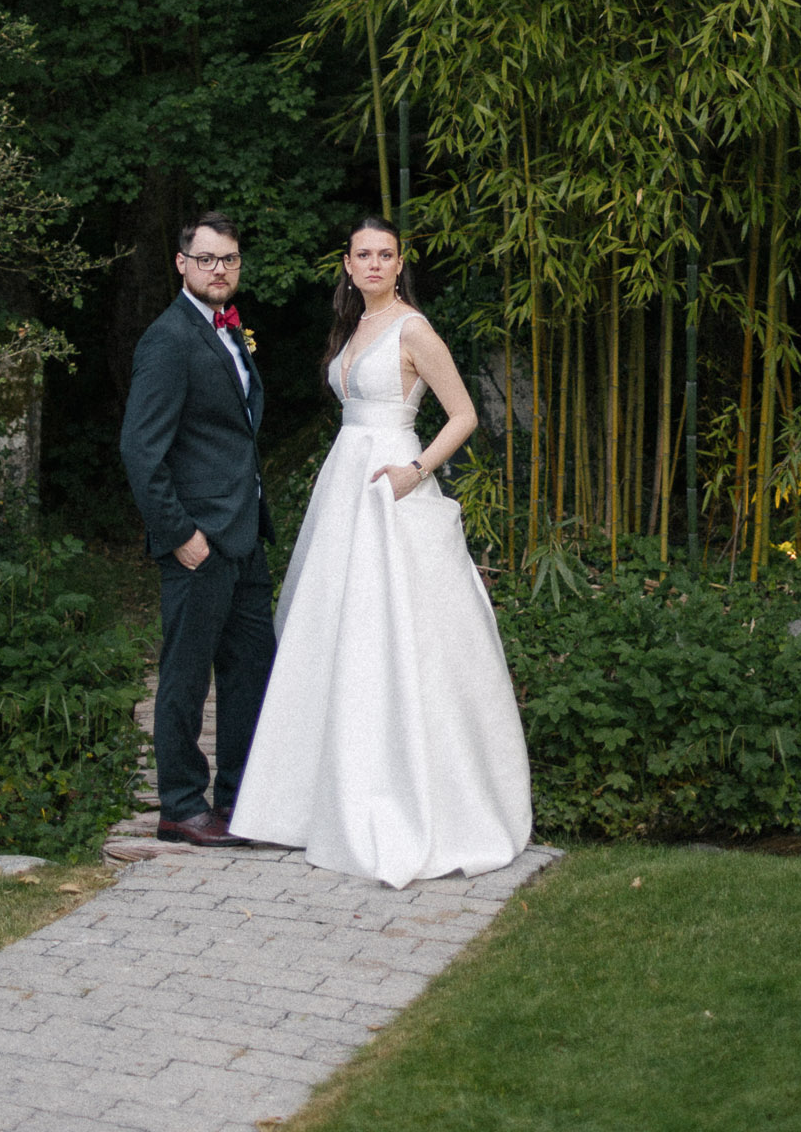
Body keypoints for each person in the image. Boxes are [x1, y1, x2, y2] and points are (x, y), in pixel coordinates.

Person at [231, 215, 533, 886]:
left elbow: (463, 414)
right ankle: (312, 802)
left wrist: (415, 470)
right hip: (345, 479)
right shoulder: (351, 329)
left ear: (400, 264)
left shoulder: (413, 328)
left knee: (390, 632)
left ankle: (406, 797)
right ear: (346, 264)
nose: (373, 264)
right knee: (332, 631)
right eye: (362, 254)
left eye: (384, 254)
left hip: (391, 479)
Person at [119, 210, 275, 846]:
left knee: (250, 672)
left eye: (229, 259)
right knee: (185, 678)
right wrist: (180, 533)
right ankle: (181, 805)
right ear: (182, 263)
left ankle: (240, 800)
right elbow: (140, 449)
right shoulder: (169, 338)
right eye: (207, 259)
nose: (220, 270)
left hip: (244, 535)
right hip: (199, 542)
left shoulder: (229, 332)